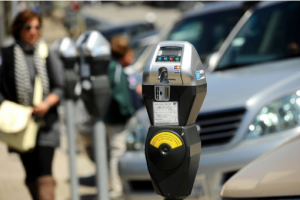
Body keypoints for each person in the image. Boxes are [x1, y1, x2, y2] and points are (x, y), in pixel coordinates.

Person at [0, 10, 64, 200]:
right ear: (19, 29)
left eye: (37, 27)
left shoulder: (45, 53)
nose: (33, 31)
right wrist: (10, 110)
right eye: (28, 27)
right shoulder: (6, 54)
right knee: (30, 173)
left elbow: (60, 86)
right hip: (19, 124)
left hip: (46, 123)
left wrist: (46, 103)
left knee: (44, 172)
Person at [105, 35, 138, 199]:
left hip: (115, 119)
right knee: (117, 153)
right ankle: (117, 189)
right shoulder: (115, 69)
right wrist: (129, 112)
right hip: (117, 119)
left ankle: (119, 186)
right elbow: (119, 94)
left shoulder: (114, 67)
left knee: (116, 152)